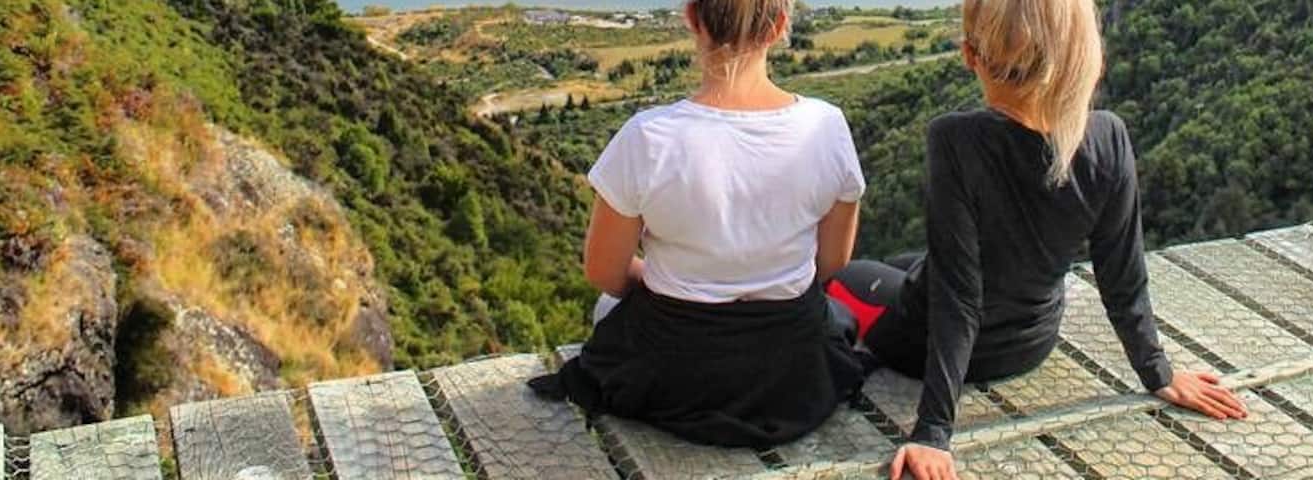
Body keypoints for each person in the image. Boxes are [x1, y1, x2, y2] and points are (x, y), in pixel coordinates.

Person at [825, 0, 1250, 478]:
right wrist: (1160, 374)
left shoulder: (956, 140)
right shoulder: (1107, 137)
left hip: (917, 343)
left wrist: (933, 431)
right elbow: (1122, 278)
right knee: (910, 261)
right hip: (1031, 342)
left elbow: (959, 297)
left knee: (849, 276)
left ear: (970, 55)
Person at [528, 0, 867, 448]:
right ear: (780, 26)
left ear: (692, 18)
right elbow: (831, 262)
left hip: (675, 368)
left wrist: (673, 281)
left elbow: (604, 273)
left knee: (605, 309)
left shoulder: (647, 136)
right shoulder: (827, 126)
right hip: (789, 370)